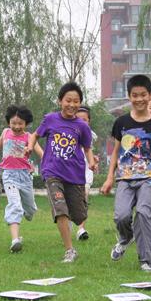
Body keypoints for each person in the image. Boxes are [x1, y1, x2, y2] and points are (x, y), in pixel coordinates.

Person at [101, 75, 151, 273]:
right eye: (135, 95)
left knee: (143, 214)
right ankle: (125, 237)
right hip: (125, 177)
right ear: (129, 96)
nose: (139, 99)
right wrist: (109, 177)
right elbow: (115, 151)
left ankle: (146, 260)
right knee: (121, 216)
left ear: (150, 95)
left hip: (149, 178)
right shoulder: (121, 122)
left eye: (143, 95)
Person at [26, 82, 96, 263]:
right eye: (68, 101)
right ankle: (70, 250)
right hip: (52, 172)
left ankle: (74, 220)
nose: (72, 105)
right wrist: (29, 146)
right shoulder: (50, 119)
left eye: (76, 101)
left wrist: (91, 162)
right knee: (60, 209)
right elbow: (35, 134)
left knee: (79, 215)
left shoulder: (82, 126)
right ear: (60, 101)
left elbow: (87, 148)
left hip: (75, 175)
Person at [0, 106, 43, 252]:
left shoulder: (30, 137)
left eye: (20, 124)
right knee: (15, 205)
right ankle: (15, 240)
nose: (17, 127)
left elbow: (42, 154)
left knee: (29, 211)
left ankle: (27, 211)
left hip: (25, 176)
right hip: (9, 175)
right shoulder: (5, 132)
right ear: (8, 122)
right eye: (13, 123)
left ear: (26, 123)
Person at [74, 105, 100, 240]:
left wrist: (93, 159)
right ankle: (67, 225)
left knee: (84, 198)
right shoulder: (68, 132)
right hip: (70, 171)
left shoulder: (90, 134)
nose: (81, 122)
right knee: (70, 201)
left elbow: (88, 150)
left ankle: (81, 229)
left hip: (86, 171)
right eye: (78, 119)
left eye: (84, 119)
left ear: (89, 121)